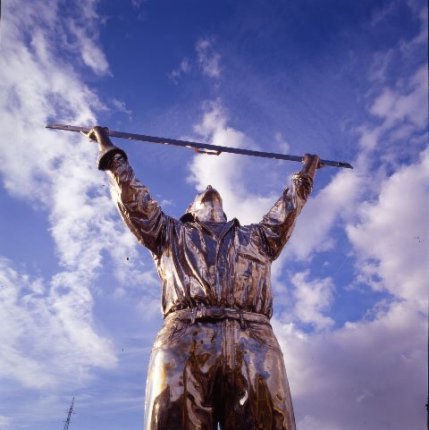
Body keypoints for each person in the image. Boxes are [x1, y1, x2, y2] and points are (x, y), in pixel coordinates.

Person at [85, 126, 321, 430]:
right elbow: (135, 201)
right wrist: (109, 149)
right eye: (200, 196)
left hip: (254, 341)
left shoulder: (258, 238)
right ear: (188, 212)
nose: (209, 189)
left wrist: (306, 173)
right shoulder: (169, 233)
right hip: (185, 339)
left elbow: (286, 210)